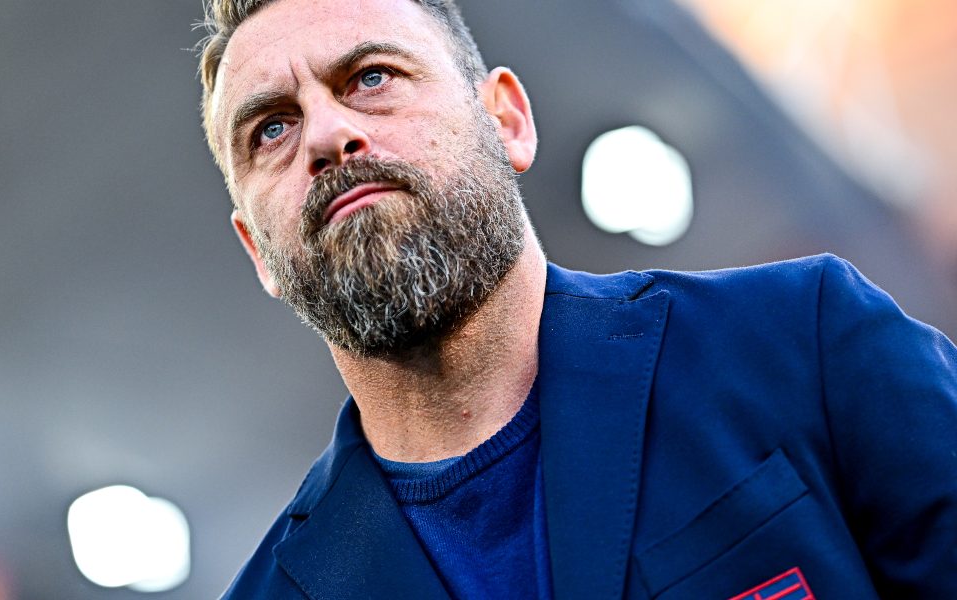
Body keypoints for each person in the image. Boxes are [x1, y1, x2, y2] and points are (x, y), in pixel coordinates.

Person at [195, 0, 957, 597]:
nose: (327, 135)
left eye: (369, 78)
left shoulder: (802, 341)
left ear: (507, 121)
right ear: (258, 251)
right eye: (271, 129)